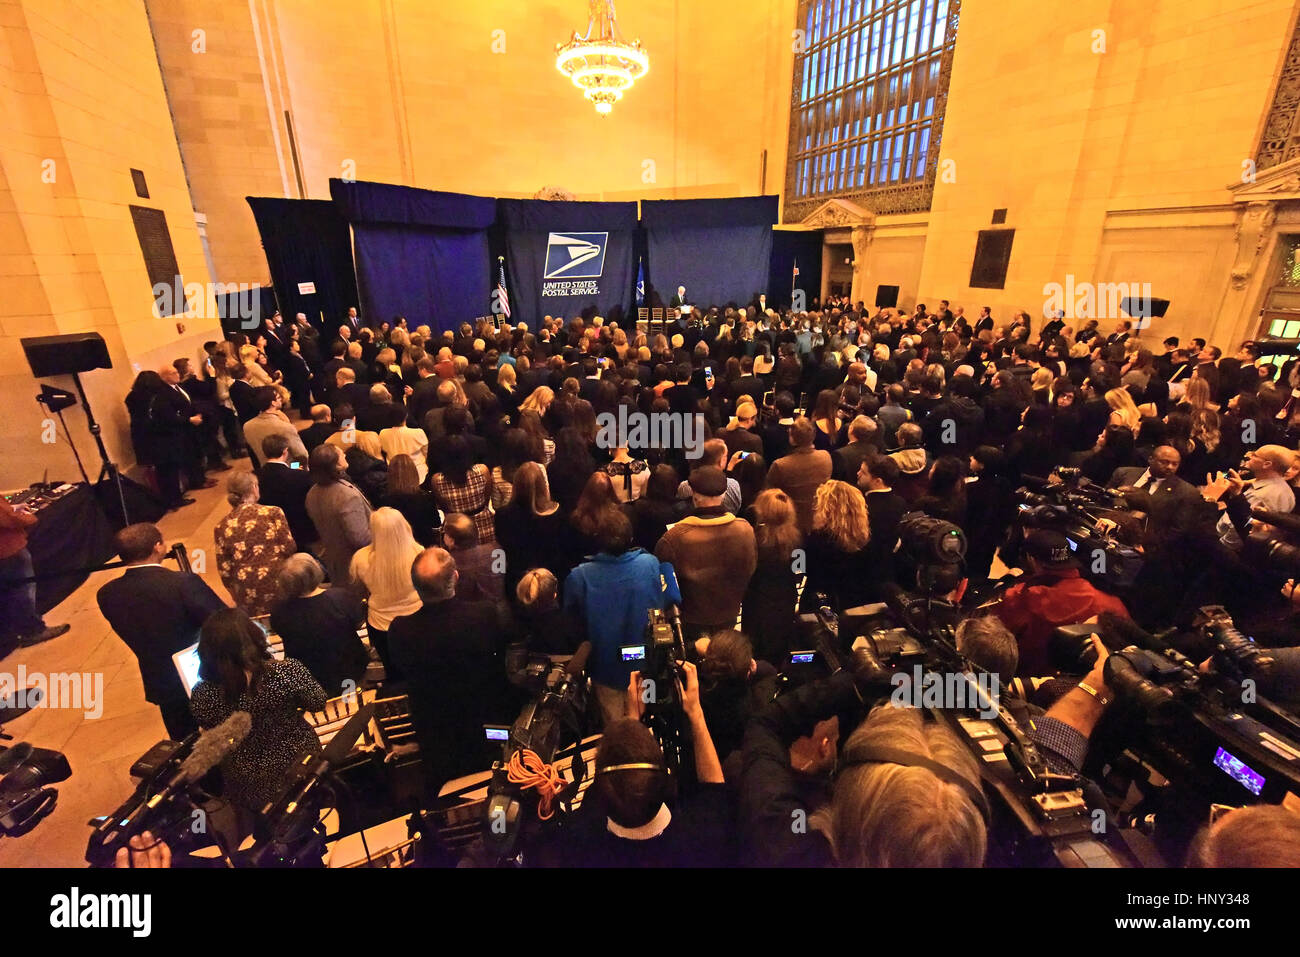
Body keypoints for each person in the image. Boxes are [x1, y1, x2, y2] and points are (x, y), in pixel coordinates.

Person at [540, 664, 730, 868]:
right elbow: (714, 787)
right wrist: (696, 713)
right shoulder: (702, 838)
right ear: (666, 783)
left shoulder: (579, 839)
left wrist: (632, 719)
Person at [386, 547, 513, 795]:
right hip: (485, 720)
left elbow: (401, 670)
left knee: (445, 792)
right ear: (455, 577)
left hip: (434, 728)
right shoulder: (484, 614)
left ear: (416, 587)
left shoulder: (400, 630)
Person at [190, 607, 327, 817]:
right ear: (255, 638)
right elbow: (318, 702)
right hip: (300, 763)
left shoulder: (202, 693)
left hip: (246, 780)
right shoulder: (286, 671)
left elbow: (209, 728)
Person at [97, 523, 227, 738]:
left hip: (159, 677)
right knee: (223, 732)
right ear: (158, 547)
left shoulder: (106, 594)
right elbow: (221, 620)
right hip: (203, 672)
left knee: (183, 740)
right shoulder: (182, 583)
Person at [564, 509, 673, 724]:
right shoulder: (650, 563)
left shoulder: (579, 576)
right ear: (630, 538)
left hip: (606, 669)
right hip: (644, 666)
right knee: (645, 719)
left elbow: (570, 620)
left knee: (616, 727)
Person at [993, 530, 1130, 677]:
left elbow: (995, 638)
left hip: (1021, 682)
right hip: (1084, 685)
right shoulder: (1112, 604)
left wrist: (1003, 584)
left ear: (1031, 559)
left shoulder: (1019, 598)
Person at [655, 466, 757, 638]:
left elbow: (664, 584)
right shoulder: (745, 530)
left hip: (691, 622)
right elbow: (750, 568)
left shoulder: (673, 538)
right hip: (730, 614)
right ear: (724, 495)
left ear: (694, 497)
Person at [269, 553, 369, 697]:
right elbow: (358, 624)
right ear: (316, 571)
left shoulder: (279, 611)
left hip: (306, 680)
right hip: (350, 672)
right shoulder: (340, 598)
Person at [349, 507, 423, 675]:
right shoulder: (419, 553)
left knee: (392, 670)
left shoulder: (360, 559)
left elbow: (363, 592)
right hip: (416, 618)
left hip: (381, 624)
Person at [213, 472, 296, 617]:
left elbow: (225, 570)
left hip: (246, 589)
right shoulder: (273, 512)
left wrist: (236, 595)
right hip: (279, 580)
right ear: (254, 487)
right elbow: (289, 548)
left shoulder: (221, 526)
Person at [0, 498, 70, 653]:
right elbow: (8, 518)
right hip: (8, 549)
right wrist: (29, 516)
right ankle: (32, 631)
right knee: (22, 590)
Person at [741, 488, 802, 665]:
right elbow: (799, 571)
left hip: (757, 601)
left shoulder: (756, 540)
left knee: (754, 648)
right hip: (786, 599)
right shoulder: (798, 538)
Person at [494, 461, 567, 598]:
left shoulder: (503, 515)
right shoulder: (556, 512)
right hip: (550, 574)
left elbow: (502, 548)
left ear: (516, 485)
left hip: (517, 575)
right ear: (543, 485)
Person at [303, 444, 373, 587]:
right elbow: (360, 538)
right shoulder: (346, 497)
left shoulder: (312, 493)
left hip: (334, 559)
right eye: (341, 454)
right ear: (335, 465)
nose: (345, 455)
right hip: (354, 563)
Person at [801, 479, 873, 612]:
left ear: (826, 508)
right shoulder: (864, 537)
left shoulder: (817, 540)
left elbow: (802, 571)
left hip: (820, 605)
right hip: (855, 604)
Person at [151, 363, 215, 507]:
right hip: (180, 430)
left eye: (177, 372)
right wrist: (189, 419)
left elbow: (187, 403)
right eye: (173, 373)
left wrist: (195, 414)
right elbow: (169, 415)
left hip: (190, 427)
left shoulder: (179, 387)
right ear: (165, 377)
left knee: (196, 452)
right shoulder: (164, 394)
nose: (177, 375)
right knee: (188, 457)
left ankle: (201, 478)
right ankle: (193, 483)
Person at [766, 417, 834, 535]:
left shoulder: (781, 465)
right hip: (820, 520)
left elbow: (768, 494)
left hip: (791, 524)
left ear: (792, 439)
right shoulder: (826, 457)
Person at [256, 433, 318, 549]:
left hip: (273, 533)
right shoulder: (301, 476)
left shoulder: (256, 477)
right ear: (285, 451)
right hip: (303, 531)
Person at [431, 435, 496, 545]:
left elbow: (443, 506)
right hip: (485, 528)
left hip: (456, 533)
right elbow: (486, 498)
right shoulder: (483, 471)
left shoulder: (437, 480)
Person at [380, 453, 442, 546]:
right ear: (414, 472)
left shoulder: (384, 499)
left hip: (398, 544)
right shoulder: (425, 497)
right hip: (424, 543)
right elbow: (436, 522)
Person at [441, 512, 505, 602]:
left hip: (473, 611)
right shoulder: (497, 551)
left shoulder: (449, 566)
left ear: (451, 541)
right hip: (503, 606)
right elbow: (501, 581)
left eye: (444, 533)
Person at [241, 386, 307, 468]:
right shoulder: (284, 427)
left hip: (265, 470)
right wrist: (296, 469)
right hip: (290, 469)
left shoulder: (247, 426)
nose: (281, 399)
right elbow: (302, 455)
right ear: (273, 403)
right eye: (278, 397)